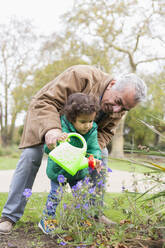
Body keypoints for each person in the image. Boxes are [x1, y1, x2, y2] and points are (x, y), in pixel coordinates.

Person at [0, 65, 147, 234]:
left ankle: (93, 214)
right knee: (31, 155)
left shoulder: (118, 108)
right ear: (112, 84)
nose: (117, 110)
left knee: (103, 154)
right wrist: (53, 130)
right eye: (118, 102)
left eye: (124, 109)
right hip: (49, 124)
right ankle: (9, 216)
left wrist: (90, 154)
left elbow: (106, 132)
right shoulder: (81, 76)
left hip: (80, 140)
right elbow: (44, 101)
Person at [38, 93, 103, 234]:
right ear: (72, 119)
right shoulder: (62, 127)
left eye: (91, 120)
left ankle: (80, 219)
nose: (88, 125)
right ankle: (47, 219)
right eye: (83, 121)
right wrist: (57, 141)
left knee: (81, 196)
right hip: (59, 171)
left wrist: (95, 158)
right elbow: (48, 149)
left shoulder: (92, 130)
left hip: (78, 172)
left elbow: (94, 148)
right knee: (56, 195)